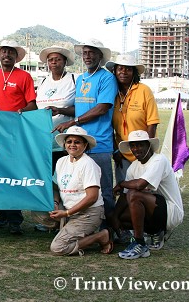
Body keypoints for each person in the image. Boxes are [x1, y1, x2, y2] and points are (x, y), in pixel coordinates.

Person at [54, 38, 118, 221]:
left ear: (100, 55)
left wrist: (72, 122)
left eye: (91, 52)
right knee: (83, 189)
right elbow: (80, 107)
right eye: (85, 53)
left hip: (99, 143)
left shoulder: (107, 77)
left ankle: (109, 230)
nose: (87, 56)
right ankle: (89, 227)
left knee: (103, 190)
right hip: (80, 144)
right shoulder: (81, 78)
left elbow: (102, 107)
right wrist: (61, 110)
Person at [0, 40, 37, 235]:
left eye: (11, 52)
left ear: (17, 57)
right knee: (0, 174)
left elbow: (32, 104)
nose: (7, 55)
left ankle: (15, 220)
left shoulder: (25, 76)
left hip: (17, 133)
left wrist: (20, 111)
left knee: (14, 175)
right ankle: (3, 216)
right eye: (3, 51)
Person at [113, 130, 184, 259]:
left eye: (140, 145)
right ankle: (155, 231)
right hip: (155, 209)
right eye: (133, 146)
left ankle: (140, 244)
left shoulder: (159, 160)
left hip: (172, 211)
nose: (136, 149)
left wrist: (122, 183)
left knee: (134, 195)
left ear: (148, 146)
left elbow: (139, 185)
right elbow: (124, 196)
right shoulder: (133, 166)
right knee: (121, 216)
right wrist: (115, 217)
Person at [49, 126, 113, 256]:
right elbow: (55, 186)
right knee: (39, 212)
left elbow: (92, 197)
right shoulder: (61, 161)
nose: (72, 145)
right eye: (69, 141)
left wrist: (66, 213)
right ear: (64, 144)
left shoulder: (88, 164)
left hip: (88, 212)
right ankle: (69, 229)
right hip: (69, 209)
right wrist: (56, 202)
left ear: (85, 145)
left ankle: (101, 236)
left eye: (77, 142)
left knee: (58, 248)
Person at [33, 45, 76, 233]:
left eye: (58, 59)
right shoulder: (43, 82)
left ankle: (67, 219)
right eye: (51, 59)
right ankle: (50, 221)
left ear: (65, 61)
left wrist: (61, 110)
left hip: (65, 142)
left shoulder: (73, 80)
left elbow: (79, 109)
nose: (54, 62)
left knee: (64, 180)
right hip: (43, 142)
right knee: (48, 181)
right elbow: (36, 107)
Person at [105, 54, 160, 183]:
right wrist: (116, 151)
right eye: (120, 69)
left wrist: (147, 152)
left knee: (143, 191)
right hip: (122, 152)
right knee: (124, 188)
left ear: (134, 72)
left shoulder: (144, 90)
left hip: (143, 152)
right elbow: (109, 127)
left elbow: (152, 123)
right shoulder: (112, 93)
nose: (123, 72)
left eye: (128, 69)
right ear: (115, 71)